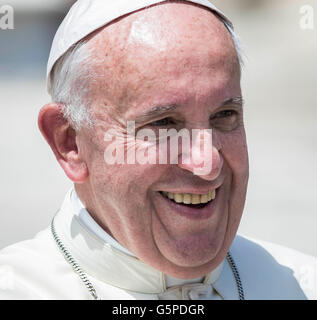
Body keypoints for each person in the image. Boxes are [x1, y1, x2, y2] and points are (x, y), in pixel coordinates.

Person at [0, 0, 316, 300]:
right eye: (164, 123)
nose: (207, 164)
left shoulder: (299, 285)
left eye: (224, 116)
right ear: (69, 142)